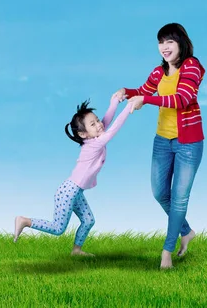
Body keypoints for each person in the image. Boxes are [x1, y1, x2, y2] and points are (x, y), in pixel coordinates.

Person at [118, 23, 205, 269]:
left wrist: (145, 100)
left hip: (188, 143)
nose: (164, 47)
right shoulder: (159, 72)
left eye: (169, 42)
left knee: (179, 199)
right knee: (159, 193)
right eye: (161, 42)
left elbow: (182, 99)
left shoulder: (192, 66)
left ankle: (167, 251)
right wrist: (126, 92)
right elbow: (144, 90)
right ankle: (186, 231)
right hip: (162, 141)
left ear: (181, 43)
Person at [13, 91, 134, 256]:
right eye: (93, 124)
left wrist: (114, 102)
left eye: (97, 120)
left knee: (88, 220)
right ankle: (25, 221)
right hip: (68, 192)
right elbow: (113, 129)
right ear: (83, 134)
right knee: (58, 228)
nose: (99, 124)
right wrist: (129, 108)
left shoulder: (95, 137)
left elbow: (106, 121)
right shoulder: (93, 144)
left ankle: (76, 250)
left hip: (76, 191)